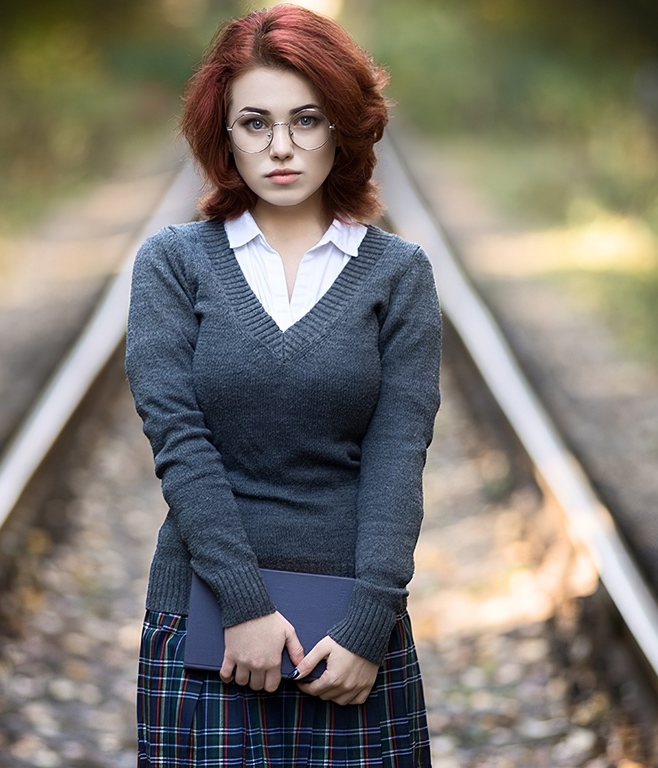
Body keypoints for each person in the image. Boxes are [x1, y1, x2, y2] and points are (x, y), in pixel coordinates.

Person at [124, 4, 440, 765]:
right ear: (223, 135)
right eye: (255, 124)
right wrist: (245, 605)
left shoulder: (398, 276)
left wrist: (370, 626)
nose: (283, 148)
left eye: (307, 119)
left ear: (342, 127)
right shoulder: (174, 264)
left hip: (351, 639)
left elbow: (399, 456)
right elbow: (181, 444)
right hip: (206, 621)